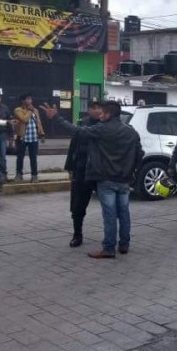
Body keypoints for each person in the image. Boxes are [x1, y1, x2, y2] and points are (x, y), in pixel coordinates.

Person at [42, 101, 143, 258]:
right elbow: (139, 153)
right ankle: (124, 244)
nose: (99, 114)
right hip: (124, 179)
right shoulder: (130, 130)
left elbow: (76, 131)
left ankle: (109, 248)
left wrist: (56, 118)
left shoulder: (102, 129)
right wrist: (131, 170)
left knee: (109, 214)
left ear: (108, 114)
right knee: (123, 212)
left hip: (106, 178)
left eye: (102, 112)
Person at [64, 102, 103, 247]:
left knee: (109, 205)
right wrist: (70, 167)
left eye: (100, 108)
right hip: (81, 170)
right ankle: (77, 234)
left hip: (101, 172)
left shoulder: (105, 125)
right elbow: (73, 146)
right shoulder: (82, 125)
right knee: (77, 205)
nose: (97, 110)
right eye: (94, 108)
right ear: (89, 110)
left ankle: (110, 235)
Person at [14, 93, 45, 183]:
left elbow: (39, 122)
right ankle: (19, 175)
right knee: (20, 157)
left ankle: (34, 175)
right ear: (23, 101)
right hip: (22, 137)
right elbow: (24, 119)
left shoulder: (35, 110)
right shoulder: (18, 110)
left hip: (33, 137)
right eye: (27, 99)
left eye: (30, 99)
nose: (29, 101)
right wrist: (30, 111)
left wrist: (42, 133)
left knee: (33, 158)